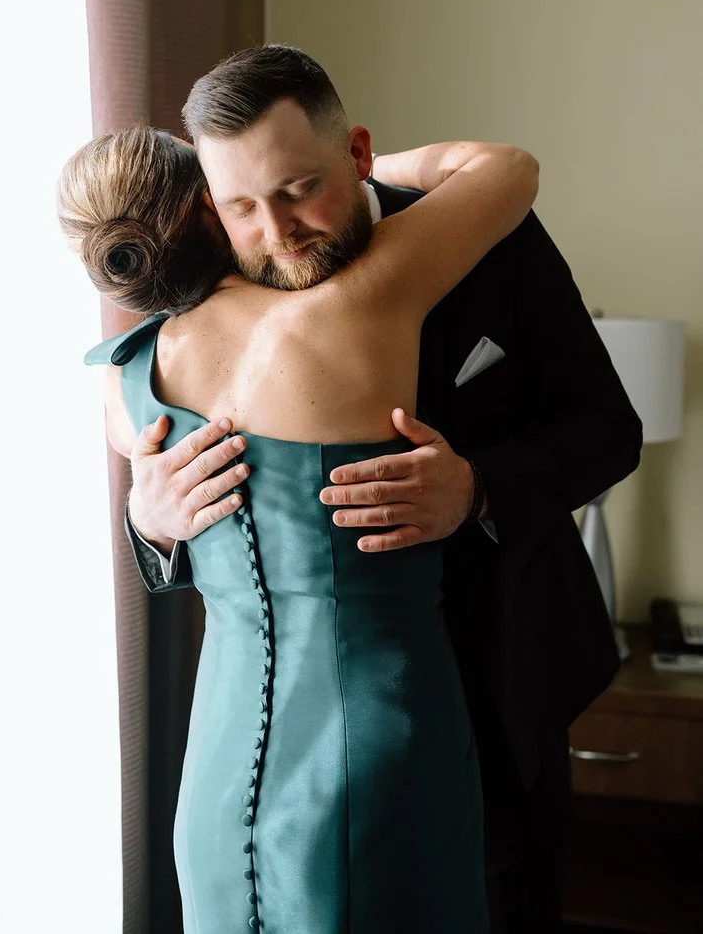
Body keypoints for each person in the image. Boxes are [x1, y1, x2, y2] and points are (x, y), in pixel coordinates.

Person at [117, 46, 643, 933]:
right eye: (242, 205)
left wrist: (475, 488)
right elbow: (172, 465)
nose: (278, 232)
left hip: (499, 668)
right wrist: (151, 521)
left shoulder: (490, 239)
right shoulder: (216, 276)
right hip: (299, 727)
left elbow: (608, 430)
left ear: (359, 153)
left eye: (297, 189)